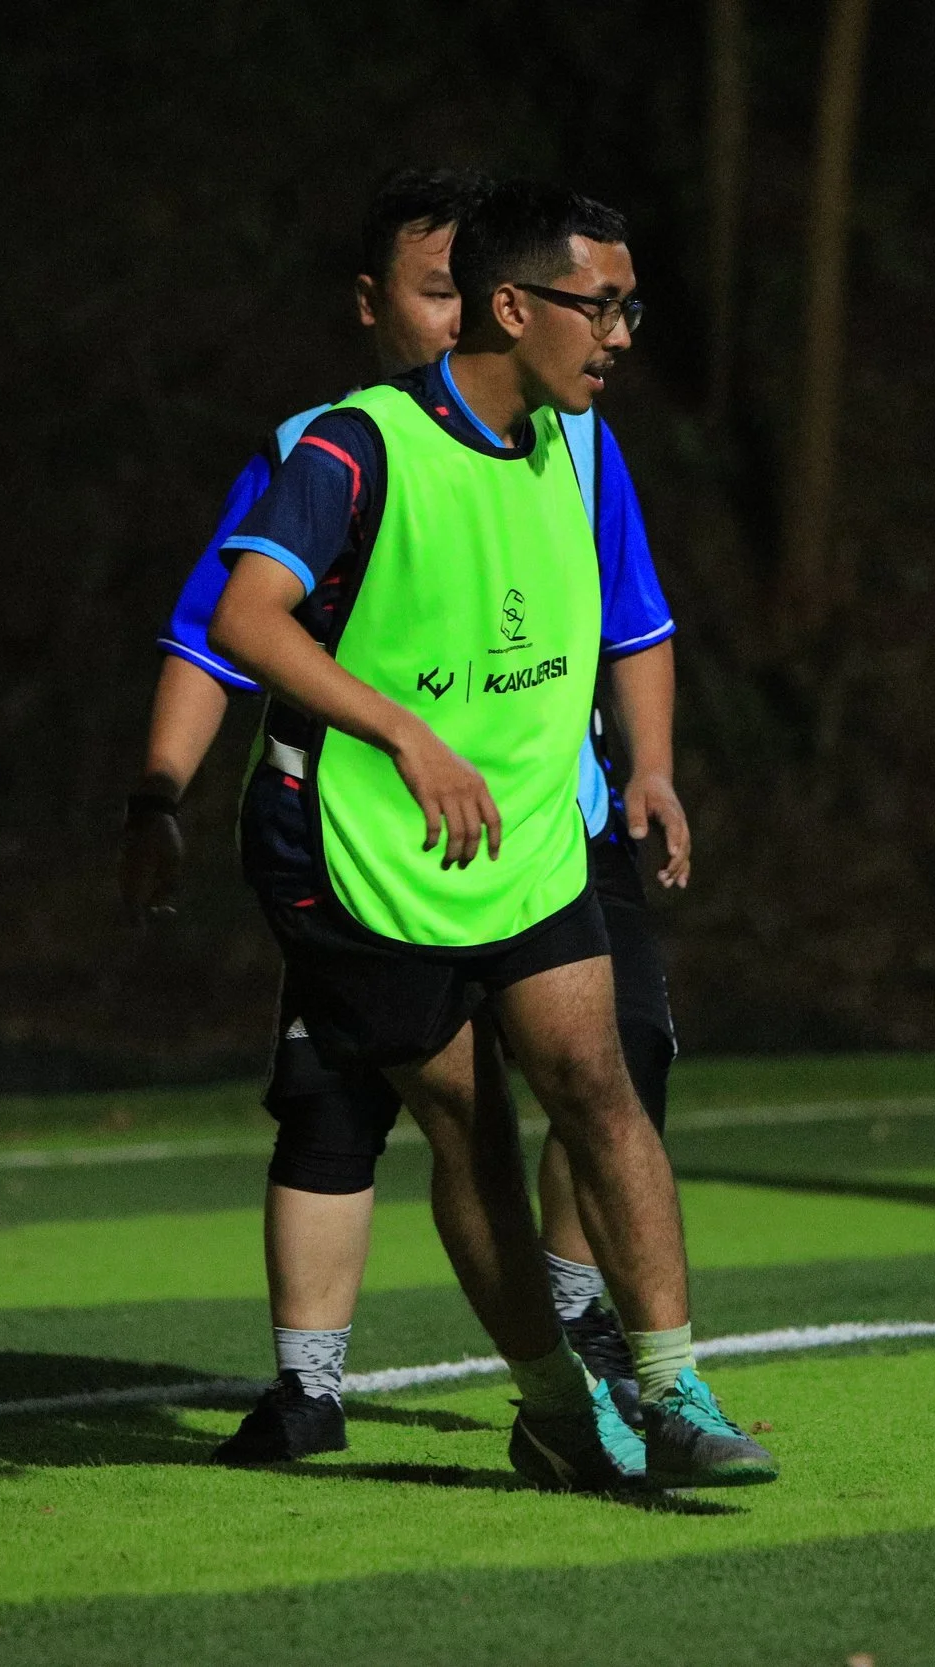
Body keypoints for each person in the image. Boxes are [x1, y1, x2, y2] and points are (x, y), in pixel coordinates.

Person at [208, 179, 773, 1491]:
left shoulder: (573, 446)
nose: (621, 335)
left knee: (598, 1081)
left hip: (525, 843)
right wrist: (402, 735)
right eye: (600, 307)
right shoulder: (355, 447)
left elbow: (628, 622)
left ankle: (673, 1388)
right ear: (511, 307)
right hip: (354, 856)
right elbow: (243, 619)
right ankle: (554, 1407)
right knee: (469, 1130)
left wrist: (647, 767)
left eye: (631, 308)